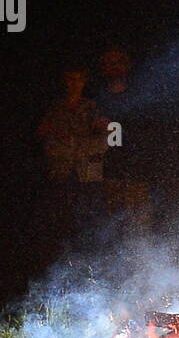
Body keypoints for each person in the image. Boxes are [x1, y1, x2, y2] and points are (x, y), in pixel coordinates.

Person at [38, 66, 108, 244]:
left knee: (91, 223)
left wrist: (73, 145)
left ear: (84, 81)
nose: (74, 84)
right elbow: (49, 144)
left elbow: (104, 142)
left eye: (78, 79)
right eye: (70, 79)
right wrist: (77, 146)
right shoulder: (54, 110)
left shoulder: (93, 108)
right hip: (61, 174)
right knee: (63, 224)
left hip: (89, 175)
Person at [95, 46, 152, 235]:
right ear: (103, 68)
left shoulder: (138, 94)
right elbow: (107, 137)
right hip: (111, 171)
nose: (115, 67)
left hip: (139, 169)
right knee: (115, 223)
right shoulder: (99, 98)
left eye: (118, 62)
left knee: (140, 225)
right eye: (110, 63)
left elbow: (145, 128)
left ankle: (142, 260)